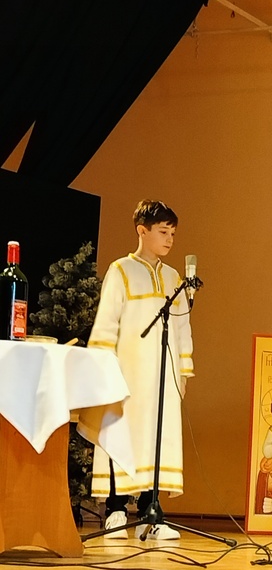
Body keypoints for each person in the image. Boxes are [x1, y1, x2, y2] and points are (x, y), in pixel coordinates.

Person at [88, 199, 193, 540]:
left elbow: (182, 328)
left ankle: (151, 512)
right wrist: (103, 368)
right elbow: (107, 322)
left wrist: (183, 370)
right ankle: (116, 510)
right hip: (127, 372)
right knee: (121, 435)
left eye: (173, 233)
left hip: (161, 375)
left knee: (156, 438)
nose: (169, 239)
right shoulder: (121, 270)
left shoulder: (173, 277)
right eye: (163, 232)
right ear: (142, 231)